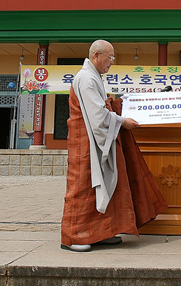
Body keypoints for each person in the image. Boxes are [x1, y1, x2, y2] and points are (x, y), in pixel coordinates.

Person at [61, 40, 167, 252]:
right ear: (96, 56)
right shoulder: (86, 78)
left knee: (106, 187)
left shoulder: (94, 77)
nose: (112, 62)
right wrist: (122, 121)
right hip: (85, 143)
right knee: (83, 188)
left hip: (95, 140)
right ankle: (74, 237)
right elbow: (98, 116)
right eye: (109, 57)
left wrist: (119, 105)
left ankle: (100, 233)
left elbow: (103, 108)